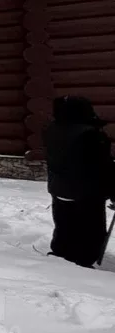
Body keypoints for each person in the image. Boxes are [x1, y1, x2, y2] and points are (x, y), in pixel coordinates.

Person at [44, 96, 115, 268]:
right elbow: (102, 167)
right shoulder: (90, 135)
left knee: (64, 224)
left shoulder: (51, 129)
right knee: (91, 231)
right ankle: (83, 263)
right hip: (86, 191)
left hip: (59, 187)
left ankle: (61, 254)